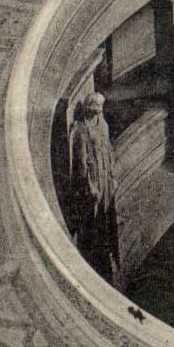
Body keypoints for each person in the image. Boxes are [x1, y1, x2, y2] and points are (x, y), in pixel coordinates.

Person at [69, 92, 118, 279]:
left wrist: (112, 171)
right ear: (89, 107)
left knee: (105, 211)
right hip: (95, 173)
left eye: (100, 107)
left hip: (104, 170)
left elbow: (108, 147)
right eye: (96, 107)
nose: (98, 111)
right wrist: (89, 184)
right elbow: (81, 163)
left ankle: (104, 242)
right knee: (95, 213)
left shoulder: (101, 123)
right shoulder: (82, 131)